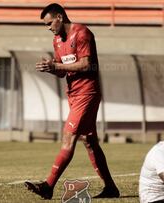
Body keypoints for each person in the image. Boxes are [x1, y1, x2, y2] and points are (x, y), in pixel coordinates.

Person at [24, 3, 119, 199]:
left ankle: (48, 186)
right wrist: (51, 68)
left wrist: (57, 64)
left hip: (87, 93)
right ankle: (110, 187)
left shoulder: (82, 33)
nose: (48, 28)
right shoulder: (57, 40)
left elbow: (86, 64)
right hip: (73, 94)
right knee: (89, 142)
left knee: (69, 137)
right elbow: (62, 71)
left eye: (49, 23)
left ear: (59, 17)